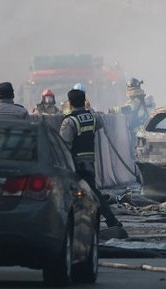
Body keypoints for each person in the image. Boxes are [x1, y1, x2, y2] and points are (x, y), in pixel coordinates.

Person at [59, 87, 123, 229]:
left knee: (70, 192)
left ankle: (77, 223)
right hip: (89, 161)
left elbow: (64, 145)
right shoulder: (92, 117)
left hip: (74, 162)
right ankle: (107, 220)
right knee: (92, 192)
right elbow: (100, 122)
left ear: (69, 103)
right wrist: (90, 108)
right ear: (84, 101)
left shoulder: (69, 121)